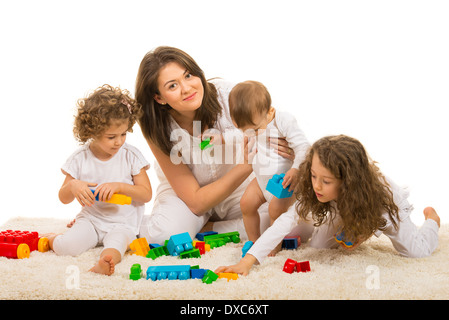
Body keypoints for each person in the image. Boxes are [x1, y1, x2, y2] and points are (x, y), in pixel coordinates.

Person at [135, 46, 295, 244]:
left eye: (188, 75)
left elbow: (273, 124)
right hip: (187, 196)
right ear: (158, 98)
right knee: (163, 236)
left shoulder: (231, 95)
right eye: (172, 86)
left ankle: (210, 229)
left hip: (238, 191)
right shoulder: (157, 126)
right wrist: (246, 165)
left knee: (286, 220)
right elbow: (195, 201)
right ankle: (123, 227)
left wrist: (285, 146)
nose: (187, 88)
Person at [216, 135, 440, 275]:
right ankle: (353, 228)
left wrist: (364, 228)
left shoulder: (382, 198)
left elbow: (372, 214)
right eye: (313, 176)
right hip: (341, 205)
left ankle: (433, 221)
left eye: (326, 181)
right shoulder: (317, 189)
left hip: (379, 208)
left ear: (347, 181)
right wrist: (248, 261)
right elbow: (284, 222)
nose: (317, 186)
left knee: (416, 253)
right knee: (319, 247)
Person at [47, 85, 152, 276]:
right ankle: (52, 239)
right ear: (92, 132)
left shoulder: (131, 156)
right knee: (67, 247)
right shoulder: (80, 158)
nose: (119, 142)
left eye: (123, 134)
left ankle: (104, 263)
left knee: (116, 245)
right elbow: (63, 198)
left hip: (123, 223)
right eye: (111, 137)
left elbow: (146, 194)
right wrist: (73, 185)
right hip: (91, 220)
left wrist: (120, 186)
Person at [228, 80, 310, 252]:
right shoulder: (253, 124)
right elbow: (235, 135)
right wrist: (220, 139)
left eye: (255, 130)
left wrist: (295, 169)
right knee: (246, 204)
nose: (250, 134)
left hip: (285, 181)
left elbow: (303, 147)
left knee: (275, 211)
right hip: (261, 180)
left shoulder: (283, 121)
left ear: (270, 112)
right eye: (244, 130)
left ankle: (272, 248)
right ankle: (254, 242)